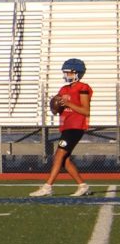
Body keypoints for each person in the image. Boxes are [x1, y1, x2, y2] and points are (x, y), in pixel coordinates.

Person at [31, 58, 93, 197]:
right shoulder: (63, 89)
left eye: (69, 73)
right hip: (66, 126)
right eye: (65, 73)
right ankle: (83, 186)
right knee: (64, 160)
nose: (66, 75)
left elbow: (86, 111)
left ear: (77, 73)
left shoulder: (83, 87)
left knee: (58, 155)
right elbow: (57, 109)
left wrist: (68, 104)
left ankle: (48, 187)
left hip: (76, 127)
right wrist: (55, 105)